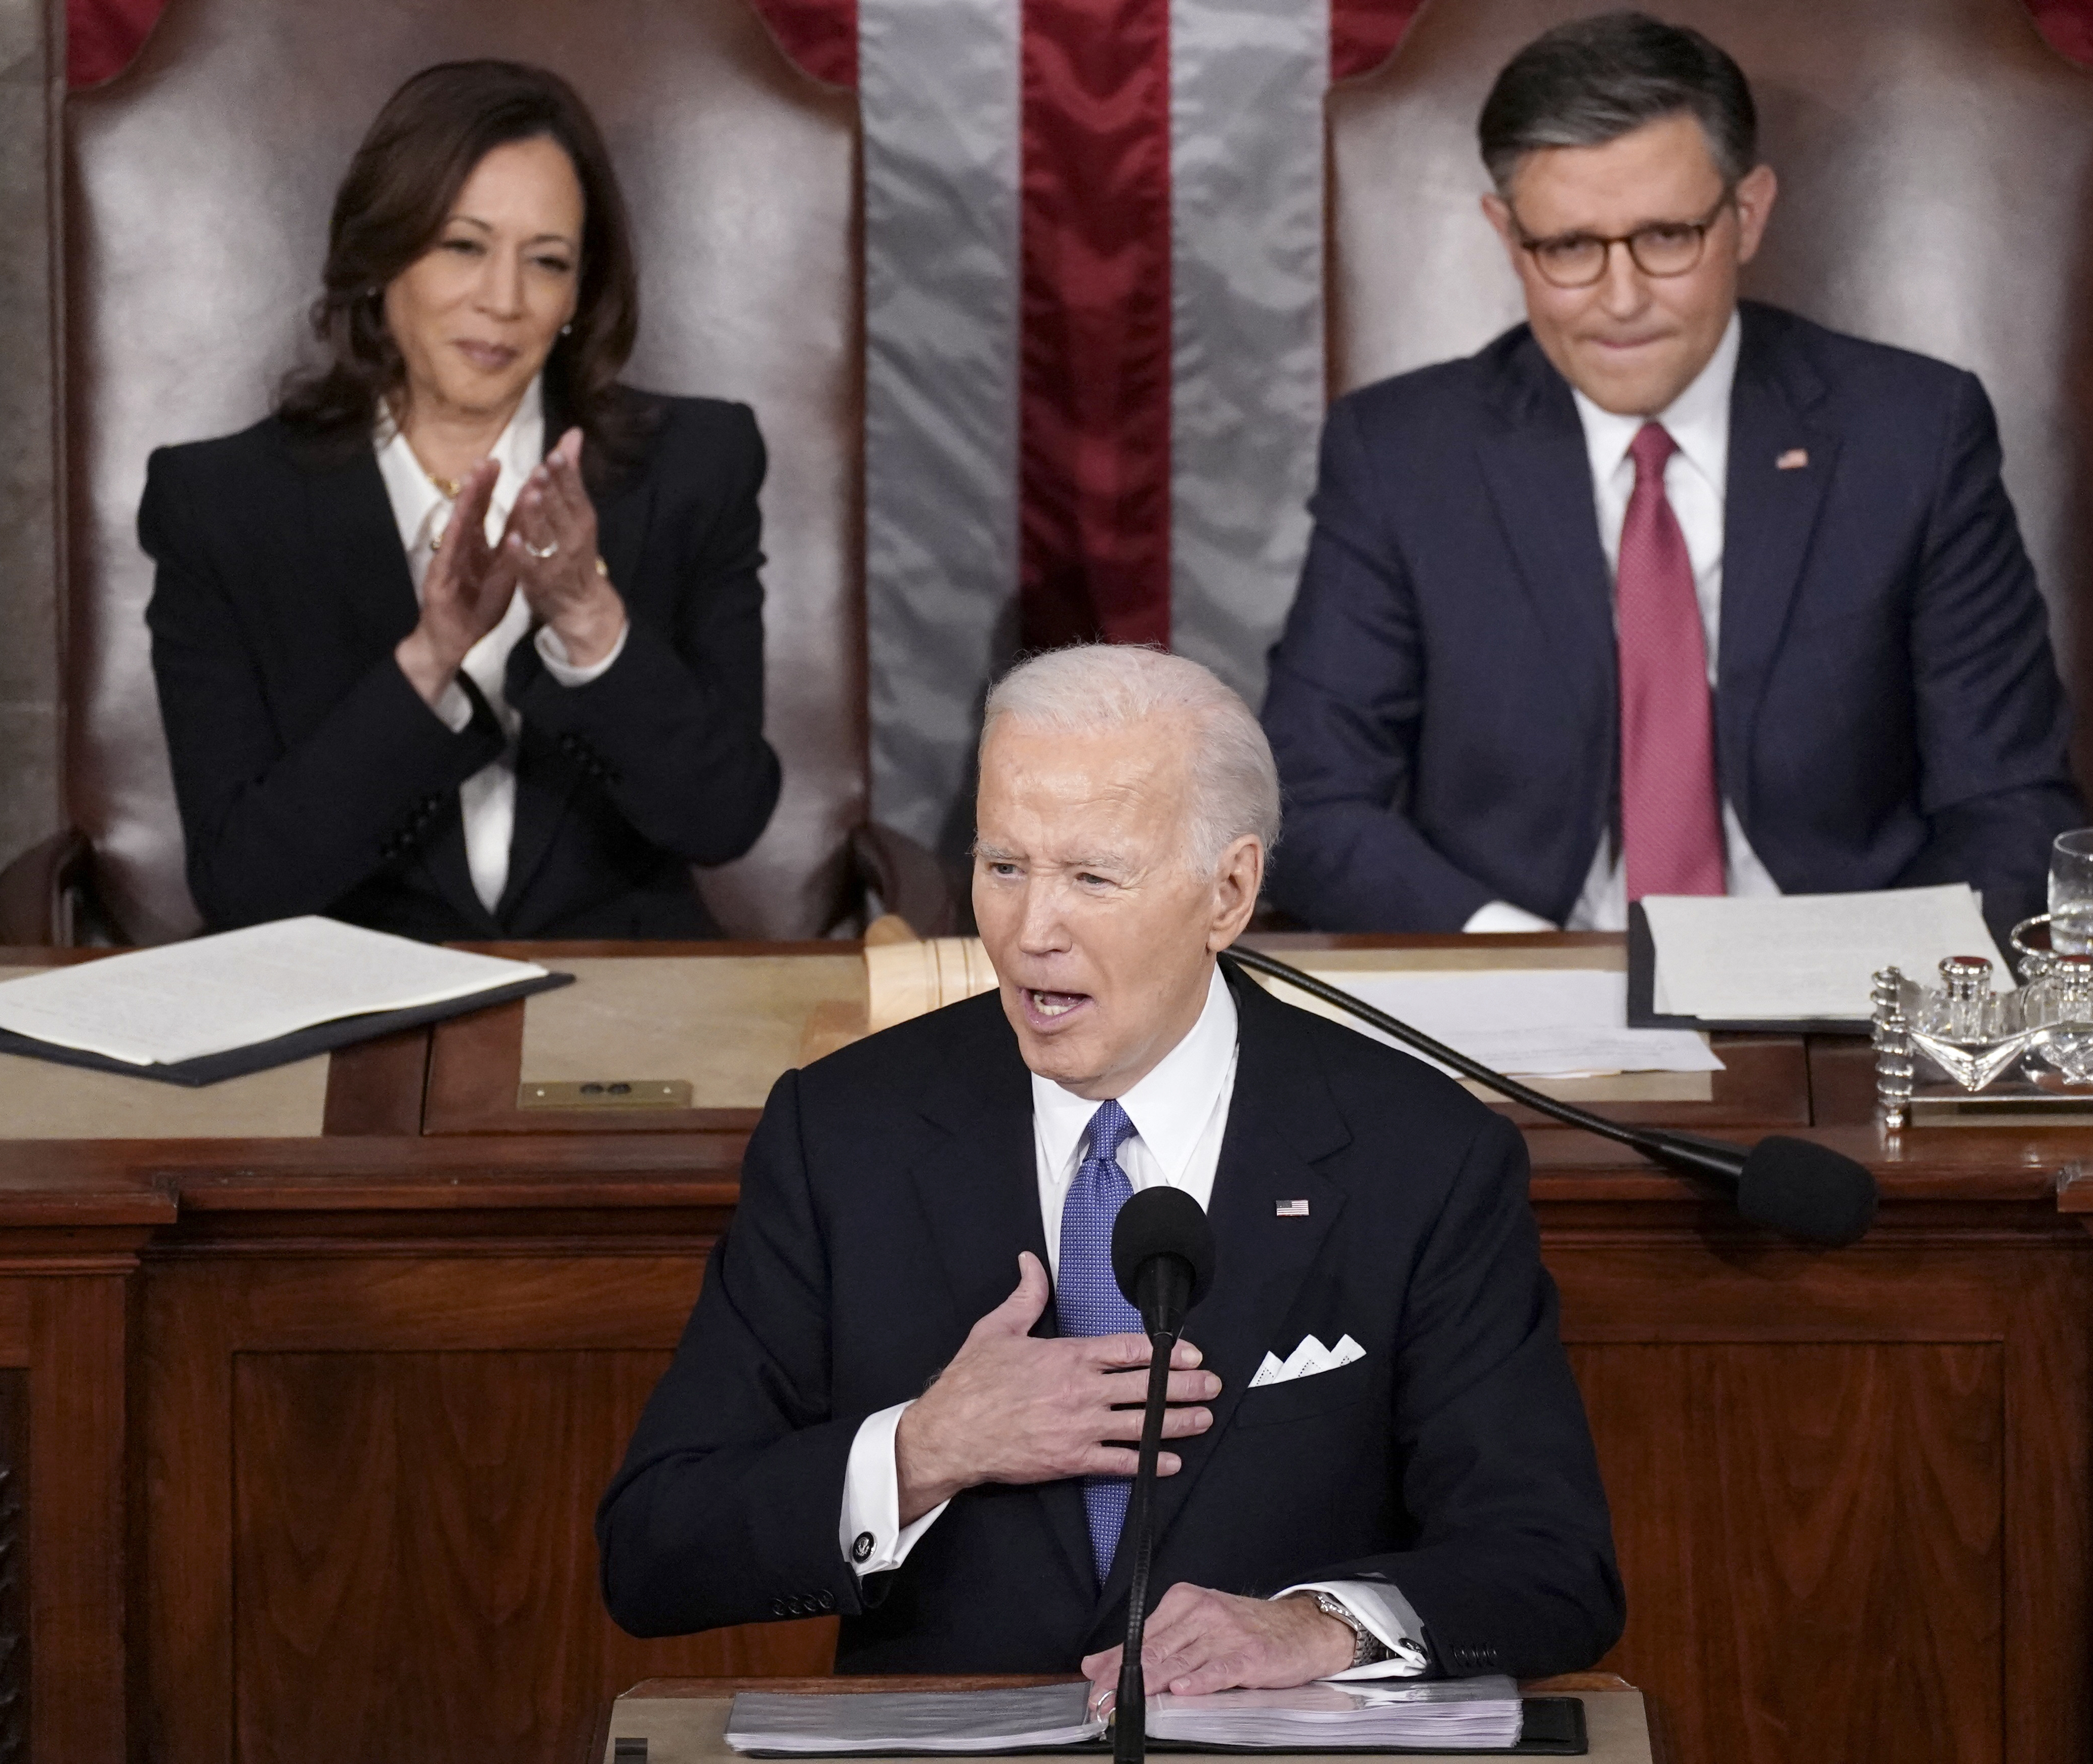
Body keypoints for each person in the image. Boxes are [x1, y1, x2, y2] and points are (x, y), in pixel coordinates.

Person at [598, 644, 1620, 1688]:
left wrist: (1322, 1629)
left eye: (1092, 877)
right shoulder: (843, 1134)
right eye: (1004, 868)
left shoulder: (1421, 1154)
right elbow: (654, 1552)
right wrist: (922, 1450)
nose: (1032, 931)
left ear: (1228, 892)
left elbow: (1549, 1567)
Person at [1259, 12, 2086, 942]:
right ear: (1506, 235)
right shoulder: (1404, 455)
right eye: (1569, 247)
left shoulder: (1913, 436)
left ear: (1747, 215)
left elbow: (2011, 805)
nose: (1621, 299)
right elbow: (1313, 802)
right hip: (1520, 996)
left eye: (1666, 237)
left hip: (1837, 1003)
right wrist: (1521, 957)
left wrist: (1853, 973)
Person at [142, 61, 780, 941]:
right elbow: (242, 881)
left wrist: (592, 624)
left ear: (577, 296)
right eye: (463, 245)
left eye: (547, 262)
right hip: (350, 1009)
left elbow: (725, 818)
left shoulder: (694, 468)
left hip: (630, 1007)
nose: (504, 301)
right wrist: (431, 656)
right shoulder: (221, 506)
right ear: (380, 259)